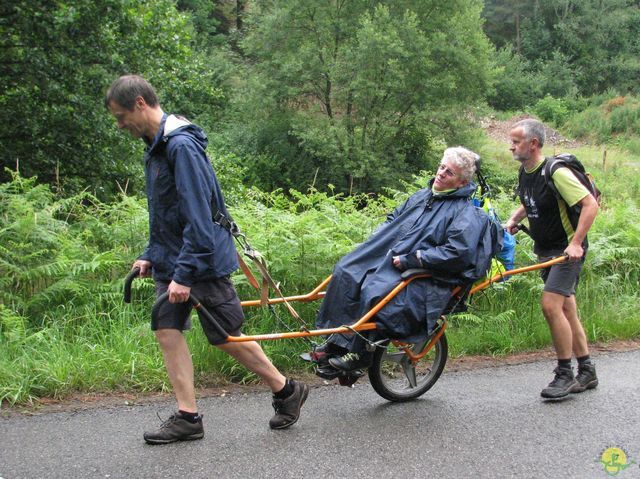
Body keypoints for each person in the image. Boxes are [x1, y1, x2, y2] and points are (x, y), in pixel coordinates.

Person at [105, 75, 308, 444]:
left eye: (121, 117)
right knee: (167, 329)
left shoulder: (181, 147)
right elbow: (165, 212)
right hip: (174, 259)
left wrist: (184, 274)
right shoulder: (156, 146)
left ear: (139, 103)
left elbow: (199, 217)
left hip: (200, 260)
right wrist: (150, 254)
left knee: (225, 336)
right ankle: (188, 417)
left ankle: (286, 389)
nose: (120, 126)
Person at [314, 147, 503, 371]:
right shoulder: (421, 197)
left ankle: (361, 353)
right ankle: (335, 343)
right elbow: (394, 218)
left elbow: (457, 252)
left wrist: (415, 259)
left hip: (417, 268)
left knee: (374, 289)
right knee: (345, 270)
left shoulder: (466, 214)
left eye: (449, 172)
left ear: (462, 183)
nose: (441, 173)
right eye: (441, 167)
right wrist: (378, 239)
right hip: (386, 255)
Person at [505, 118, 599, 400]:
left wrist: (576, 243)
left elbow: (589, 204)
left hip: (565, 253)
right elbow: (530, 199)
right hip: (546, 251)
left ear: (533, 144)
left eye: (516, 141)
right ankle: (587, 370)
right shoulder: (526, 171)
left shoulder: (555, 171)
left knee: (550, 306)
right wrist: (514, 217)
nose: (511, 147)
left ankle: (564, 374)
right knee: (567, 309)